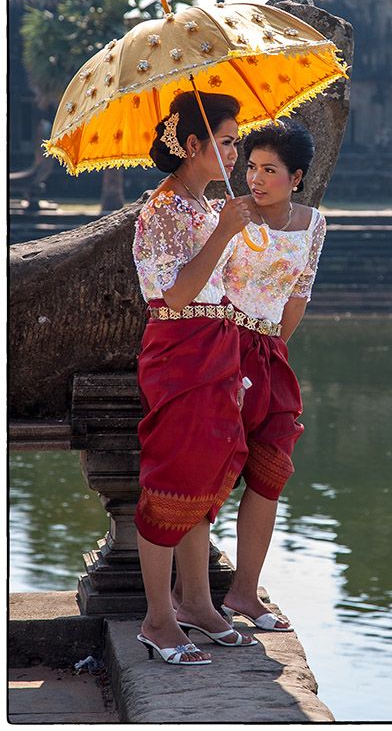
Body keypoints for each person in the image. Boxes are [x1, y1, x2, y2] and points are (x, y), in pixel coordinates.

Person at [132, 90, 257, 665]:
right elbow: (175, 295)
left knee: (205, 485)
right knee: (172, 480)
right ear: (190, 145)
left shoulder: (208, 208)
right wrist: (225, 234)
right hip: (180, 351)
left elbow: (223, 287)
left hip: (218, 349)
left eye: (236, 142)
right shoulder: (160, 210)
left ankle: (199, 603)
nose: (236, 153)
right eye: (227, 142)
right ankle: (158, 619)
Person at [208, 119, 326, 632]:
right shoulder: (229, 215)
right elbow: (206, 284)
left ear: (295, 177)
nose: (255, 178)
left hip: (270, 351)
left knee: (271, 471)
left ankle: (244, 592)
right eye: (251, 167)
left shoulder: (313, 224)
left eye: (269, 170)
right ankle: (190, 595)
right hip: (218, 346)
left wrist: (273, 351)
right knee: (210, 466)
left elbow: (298, 293)